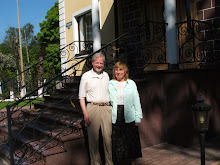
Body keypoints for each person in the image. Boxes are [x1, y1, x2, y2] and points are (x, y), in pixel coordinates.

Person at [79, 52, 113, 165]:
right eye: (97, 62)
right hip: (92, 108)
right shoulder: (86, 76)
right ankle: (95, 163)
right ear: (93, 62)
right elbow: (81, 97)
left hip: (106, 108)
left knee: (108, 138)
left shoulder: (106, 75)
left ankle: (109, 163)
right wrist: (85, 113)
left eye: (101, 63)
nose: (99, 65)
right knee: (93, 140)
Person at [108, 61, 143, 165]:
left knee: (131, 140)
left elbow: (136, 101)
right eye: (116, 69)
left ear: (125, 71)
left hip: (129, 115)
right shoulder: (110, 84)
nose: (118, 72)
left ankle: (132, 162)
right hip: (115, 114)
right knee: (118, 141)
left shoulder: (131, 83)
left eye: (120, 69)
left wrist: (138, 117)